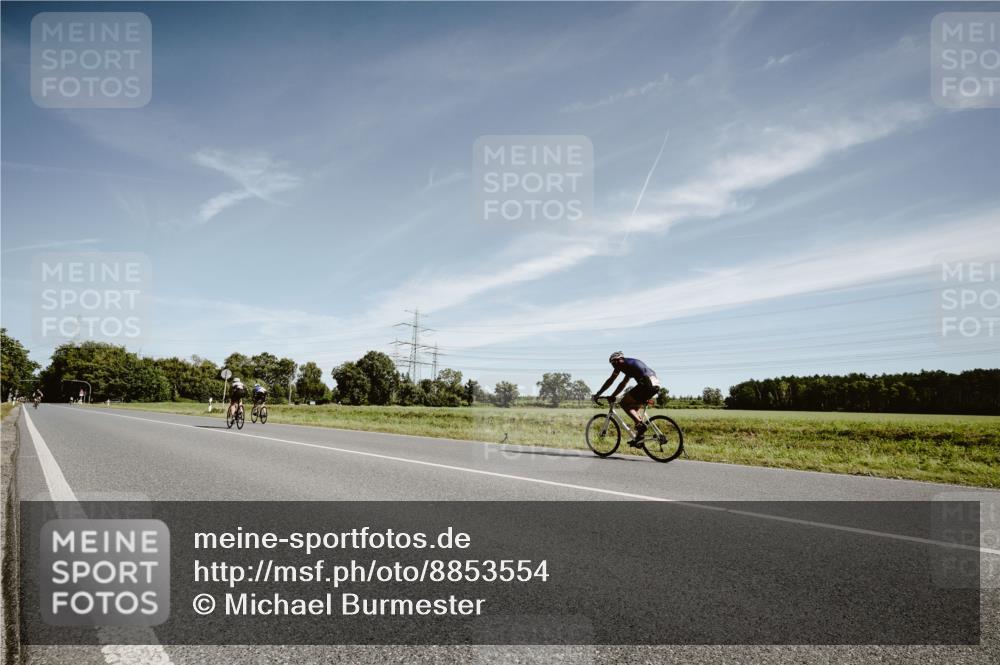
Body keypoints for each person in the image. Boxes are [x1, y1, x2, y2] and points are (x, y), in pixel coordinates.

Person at [592, 352, 661, 446]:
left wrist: (598, 394)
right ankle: (639, 438)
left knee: (624, 403)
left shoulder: (621, 364)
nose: (613, 366)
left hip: (646, 383)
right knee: (634, 410)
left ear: (617, 360)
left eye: (613, 363)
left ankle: (641, 427)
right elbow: (623, 383)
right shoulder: (629, 365)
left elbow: (611, 380)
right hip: (655, 385)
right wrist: (613, 395)